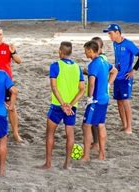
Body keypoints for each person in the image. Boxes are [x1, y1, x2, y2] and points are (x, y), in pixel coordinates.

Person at [38, 41, 85, 170]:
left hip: (57, 105)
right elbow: (82, 89)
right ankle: (67, 164)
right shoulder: (77, 67)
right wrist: (70, 104)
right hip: (72, 107)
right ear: (70, 52)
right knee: (70, 134)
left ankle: (48, 164)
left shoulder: (55, 66)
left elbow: (54, 87)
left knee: (50, 134)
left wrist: (63, 104)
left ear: (60, 51)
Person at [104, 24, 139, 135]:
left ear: (117, 33)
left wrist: (134, 70)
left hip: (126, 77)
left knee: (126, 102)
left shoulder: (128, 44)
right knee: (119, 102)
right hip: (117, 76)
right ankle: (124, 125)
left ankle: (129, 128)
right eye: (108, 33)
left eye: (110, 33)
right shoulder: (114, 43)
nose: (109, 36)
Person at [81, 41, 117, 161]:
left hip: (95, 100)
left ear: (91, 51)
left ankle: (86, 156)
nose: (85, 52)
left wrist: (89, 98)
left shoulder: (93, 65)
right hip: (104, 98)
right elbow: (114, 71)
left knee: (86, 126)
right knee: (101, 125)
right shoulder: (103, 61)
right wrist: (108, 85)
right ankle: (102, 154)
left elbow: (91, 83)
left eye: (85, 50)